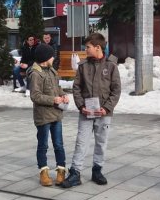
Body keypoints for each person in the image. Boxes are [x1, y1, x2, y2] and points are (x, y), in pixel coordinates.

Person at [59, 32, 121, 188]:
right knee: (81, 142)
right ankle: (75, 173)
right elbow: (76, 88)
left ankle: (97, 170)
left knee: (101, 142)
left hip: (103, 113)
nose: (85, 50)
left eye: (88, 47)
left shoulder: (111, 66)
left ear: (97, 47)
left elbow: (116, 90)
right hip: (86, 112)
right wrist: (81, 106)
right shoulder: (83, 66)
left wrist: (106, 108)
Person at [28, 43, 68, 186]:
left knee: (59, 144)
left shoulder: (52, 71)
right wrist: (53, 100)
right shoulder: (35, 74)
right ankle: (43, 171)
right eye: (52, 56)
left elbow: (57, 87)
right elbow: (35, 95)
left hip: (56, 114)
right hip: (43, 116)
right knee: (43, 145)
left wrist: (63, 95)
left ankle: (61, 170)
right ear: (46, 58)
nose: (54, 58)